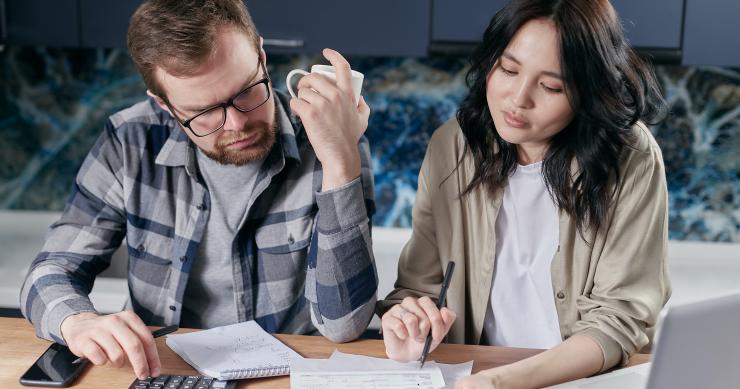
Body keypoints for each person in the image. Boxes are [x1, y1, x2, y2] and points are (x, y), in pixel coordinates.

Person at [20, 0, 377, 381]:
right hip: (163, 373)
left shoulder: (329, 137)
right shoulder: (130, 141)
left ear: (261, 54)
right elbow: (51, 270)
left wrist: (340, 163)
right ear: (164, 104)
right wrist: (77, 322)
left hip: (284, 378)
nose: (237, 123)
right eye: (204, 112)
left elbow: (344, 324)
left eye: (246, 90)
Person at [378, 0, 670, 388]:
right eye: (508, 69)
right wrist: (408, 323)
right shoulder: (452, 146)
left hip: (580, 380)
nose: (518, 99)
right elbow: (419, 287)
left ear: (587, 91)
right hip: (476, 374)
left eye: (550, 86)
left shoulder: (631, 157)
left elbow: (619, 320)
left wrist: (504, 382)